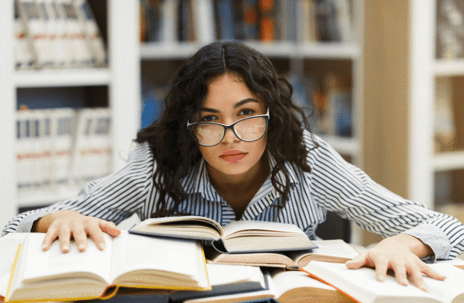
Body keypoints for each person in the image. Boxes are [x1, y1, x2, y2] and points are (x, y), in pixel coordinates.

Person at [3, 41, 464, 291]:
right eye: (209, 120)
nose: (230, 138)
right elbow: (14, 230)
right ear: (188, 127)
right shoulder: (156, 165)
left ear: (270, 114)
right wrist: (55, 218)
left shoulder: (307, 158)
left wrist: (405, 245)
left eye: (246, 115)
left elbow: (448, 228)